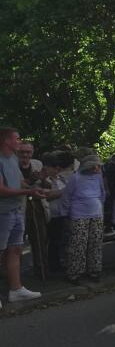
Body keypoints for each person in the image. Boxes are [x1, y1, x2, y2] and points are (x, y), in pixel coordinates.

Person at [0, 127, 44, 307]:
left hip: (16, 210)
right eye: (17, 139)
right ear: (6, 140)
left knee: (15, 249)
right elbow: (1, 190)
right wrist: (28, 191)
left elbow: (20, 182)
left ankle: (16, 289)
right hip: (2, 212)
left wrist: (34, 187)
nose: (19, 141)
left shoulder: (13, 159)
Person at [61, 155, 106, 284]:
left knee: (95, 243)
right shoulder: (75, 178)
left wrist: (100, 207)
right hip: (79, 214)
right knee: (78, 244)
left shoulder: (98, 177)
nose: (97, 168)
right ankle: (75, 273)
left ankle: (94, 270)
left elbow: (102, 193)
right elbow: (66, 197)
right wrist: (65, 213)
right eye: (95, 166)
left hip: (96, 214)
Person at [41, 153, 68, 273]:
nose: (57, 169)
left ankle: (60, 262)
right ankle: (52, 265)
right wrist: (64, 191)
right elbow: (47, 195)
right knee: (52, 240)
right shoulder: (44, 180)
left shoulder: (62, 179)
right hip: (50, 214)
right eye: (54, 167)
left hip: (62, 213)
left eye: (58, 167)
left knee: (61, 240)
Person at [102, 153, 115, 234]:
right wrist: (107, 189)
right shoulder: (111, 167)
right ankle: (108, 226)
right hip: (111, 190)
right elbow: (107, 178)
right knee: (110, 208)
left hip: (113, 190)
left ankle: (110, 225)